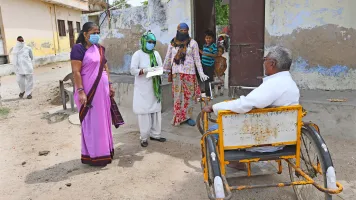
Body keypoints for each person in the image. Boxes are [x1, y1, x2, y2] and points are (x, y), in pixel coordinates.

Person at [203, 46, 300, 169]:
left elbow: (245, 104)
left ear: (272, 63)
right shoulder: (290, 84)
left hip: (263, 140)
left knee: (213, 130)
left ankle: (232, 161)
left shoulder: (273, 85)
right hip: (284, 138)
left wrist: (215, 107)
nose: (264, 63)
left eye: (265, 59)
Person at [70, 22, 118, 166]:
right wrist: (81, 92)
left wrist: (109, 84)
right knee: (92, 123)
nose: (96, 35)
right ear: (85, 34)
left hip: (102, 92)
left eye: (98, 32)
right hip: (88, 92)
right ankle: (94, 155)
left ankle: (105, 151)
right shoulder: (78, 49)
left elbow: (105, 67)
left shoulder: (100, 49)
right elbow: (76, 72)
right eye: (93, 33)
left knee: (103, 121)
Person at [163, 23, 209, 126]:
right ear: (178, 30)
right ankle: (177, 117)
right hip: (177, 73)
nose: (183, 32)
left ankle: (187, 117)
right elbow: (168, 57)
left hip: (189, 73)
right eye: (181, 30)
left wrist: (201, 73)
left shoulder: (193, 43)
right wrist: (164, 70)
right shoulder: (173, 43)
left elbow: (197, 59)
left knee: (189, 96)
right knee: (177, 96)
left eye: (185, 31)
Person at [130, 31, 166, 147]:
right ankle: (144, 137)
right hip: (143, 88)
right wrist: (144, 70)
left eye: (153, 42)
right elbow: (132, 70)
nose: (151, 44)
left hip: (154, 87)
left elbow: (160, 67)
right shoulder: (138, 54)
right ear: (144, 42)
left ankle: (156, 134)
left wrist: (159, 71)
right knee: (144, 113)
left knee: (156, 111)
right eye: (149, 42)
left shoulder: (156, 54)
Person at [199, 30, 217, 97]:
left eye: (209, 38)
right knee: (204, 79)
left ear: (212, 39)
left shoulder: (213, 46)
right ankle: (205, 94)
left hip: (210, 66)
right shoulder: (204, 45)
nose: (208, 39)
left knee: (208, 80)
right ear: (205, 39)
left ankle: (208, 94)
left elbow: (215, 55)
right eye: (206, 38)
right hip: (203, 65)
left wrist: (205, 54)